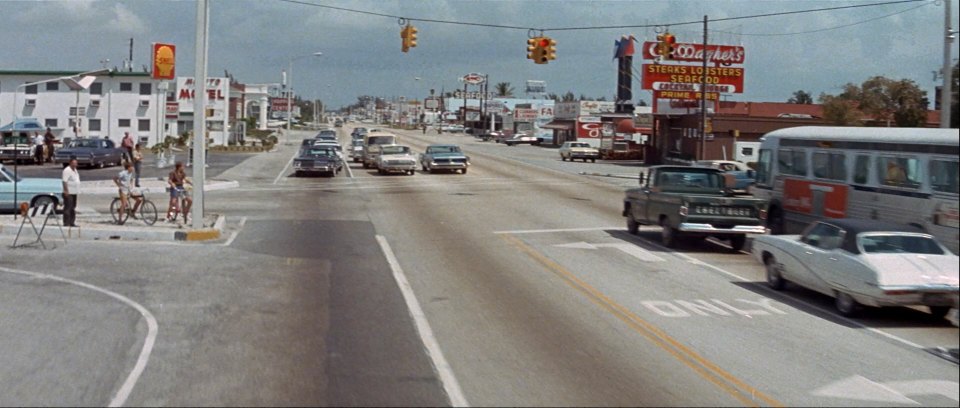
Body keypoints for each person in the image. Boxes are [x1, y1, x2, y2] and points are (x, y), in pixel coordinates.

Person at [61, 157, 80, 227]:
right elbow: (64, 181)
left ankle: (72, 222)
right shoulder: (67, 170)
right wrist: (66, 191)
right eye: (73, 163)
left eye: (76, 163)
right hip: (69, 192)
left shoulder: (75, 170)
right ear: (70, 163)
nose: (75, 164)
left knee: (73, 207)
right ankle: (66, 222)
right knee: (68, 207)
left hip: (74, 192)